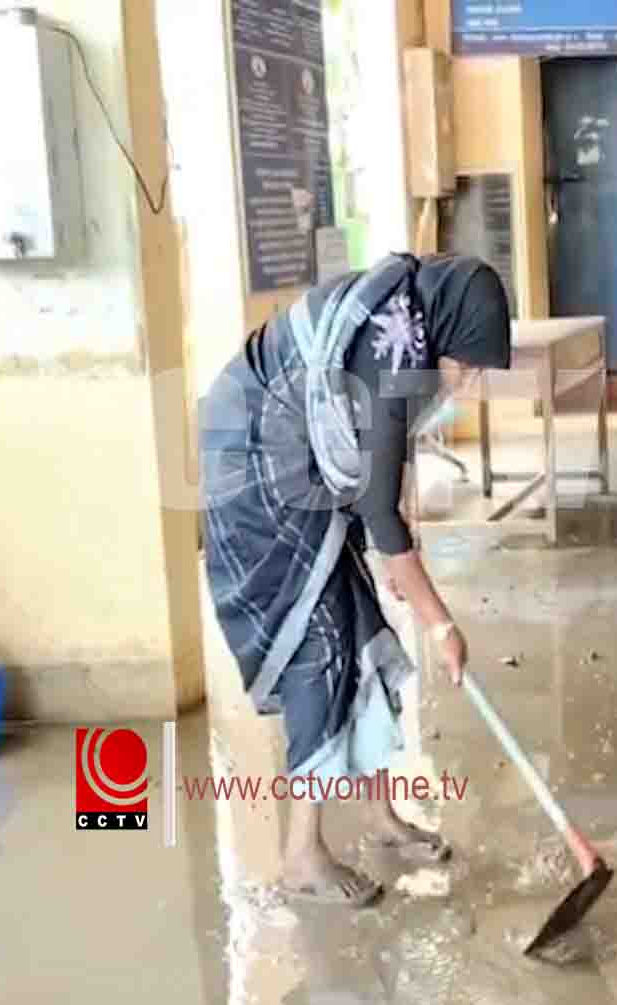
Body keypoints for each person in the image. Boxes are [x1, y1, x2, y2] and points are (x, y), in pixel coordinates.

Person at [199, 252, 511, 907]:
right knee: (320, 644)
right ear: (447, 333)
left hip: (298, 463)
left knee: (360, 626)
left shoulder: (410, 327)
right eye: (471, 364)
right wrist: (440, 622)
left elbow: (384, 465)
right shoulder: (392, 349)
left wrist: (399, 550)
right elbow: (375, 505)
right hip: (255, 470)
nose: (470, 382)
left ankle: (378, 816)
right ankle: (300, 856)